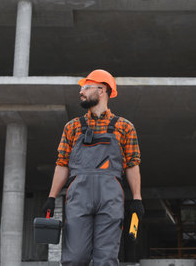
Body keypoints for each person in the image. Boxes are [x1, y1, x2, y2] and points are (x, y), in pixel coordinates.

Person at [42, 69, 144, 266]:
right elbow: (62, 163)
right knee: (75, 258)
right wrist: (51, 197)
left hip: (111, 197)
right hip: (79, 195)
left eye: (86, 87)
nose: (81, 92)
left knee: (106, 258)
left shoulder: (125, 127)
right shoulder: (72, 127)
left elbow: (132, 164)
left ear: (102, 90)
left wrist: (137, 199)